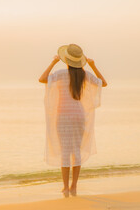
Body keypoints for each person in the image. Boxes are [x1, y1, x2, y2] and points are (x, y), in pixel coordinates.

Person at [38, 44, 107, 198]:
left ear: (67, 60)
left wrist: (53, 62)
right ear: (80, 61)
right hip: (79, 117)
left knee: (65, 152)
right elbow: (103, 83)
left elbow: (42, 79)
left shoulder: (61, 74)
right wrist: (93, 66)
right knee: (76, 151)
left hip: (63, 117)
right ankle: (74, 186)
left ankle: (65, 187)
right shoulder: (85, 75)